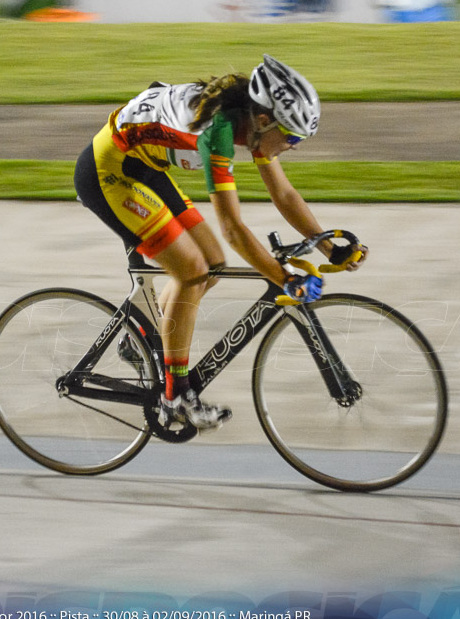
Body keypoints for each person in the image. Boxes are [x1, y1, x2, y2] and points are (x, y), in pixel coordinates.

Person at [73, 55, 368, 432]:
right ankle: (175, 397)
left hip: (145, 166)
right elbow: (232, 228)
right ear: (264, 119)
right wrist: (283, 277)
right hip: (108, 171)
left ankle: (145, 340)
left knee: (212, 264)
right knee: (192, 270)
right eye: (292, 137)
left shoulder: (254, 124)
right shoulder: (220, 133)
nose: (295, 147)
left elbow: (284, 194)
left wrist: (328, 246)